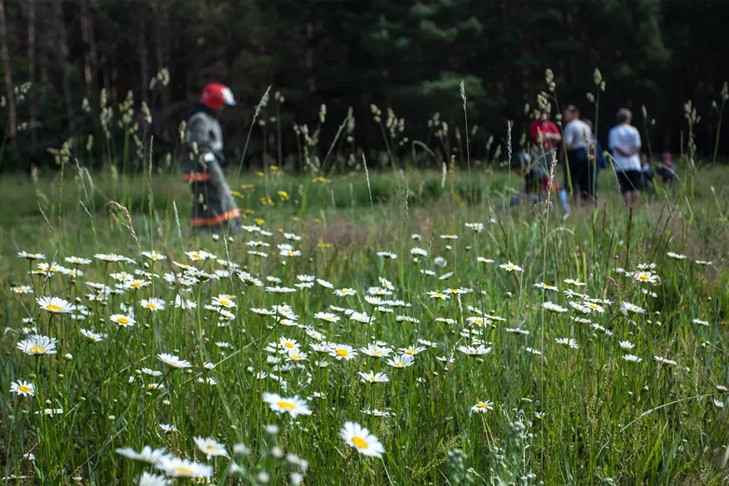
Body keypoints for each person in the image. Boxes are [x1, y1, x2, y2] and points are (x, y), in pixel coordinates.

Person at [183, 83, 243, 234]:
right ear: (215, 102)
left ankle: (210, 232)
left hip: (211, 166)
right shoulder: (200, 120)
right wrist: (212, 164)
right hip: (203, 169)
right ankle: (225, 231)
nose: (223, 108)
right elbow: (198, 146)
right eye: (222, 104)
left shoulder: (210, 119)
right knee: (219, 199)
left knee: (217, 199)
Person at [608, 108, 642, 206]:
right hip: (634, 162)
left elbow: (615, 146)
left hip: (621, 163)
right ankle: (635, 206)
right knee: (635, 187)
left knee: (626, 188)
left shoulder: (614, 131)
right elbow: (637, 146)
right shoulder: (634, 130)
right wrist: (631, 153)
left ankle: (628, 207)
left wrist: (625, 153)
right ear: (628, 118)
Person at [562, 105, 595, 202]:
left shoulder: (570, 126)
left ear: (573, 114)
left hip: (575, 154)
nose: (564, 116)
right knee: (585, 182)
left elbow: (568, 143)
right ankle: (586, 204)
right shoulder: (585, 126)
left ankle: (572, 203)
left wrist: (561, 155)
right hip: (586, 154)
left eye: (566, 114)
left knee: (571, 181)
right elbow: (590, 143)